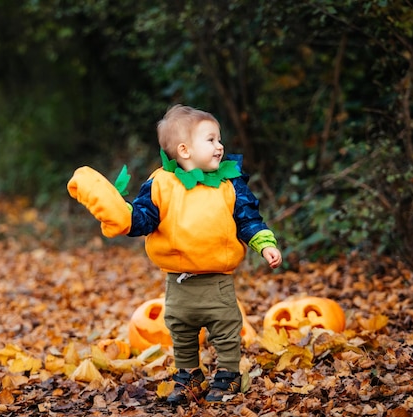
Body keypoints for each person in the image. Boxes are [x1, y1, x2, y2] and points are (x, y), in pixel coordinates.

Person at [67, 104, 282, 405]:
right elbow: (145, 218)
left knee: (226, 328)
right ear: (184, 150)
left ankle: (229, 374)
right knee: (180, 330)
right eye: (210, 140)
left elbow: (248, 219)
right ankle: (189, 374)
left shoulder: (229, 184)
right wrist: (124, 215)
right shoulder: (161, 184)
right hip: (178, 282)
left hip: (217, 280)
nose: (220, 146)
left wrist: (264, 244)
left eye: (219, 139)